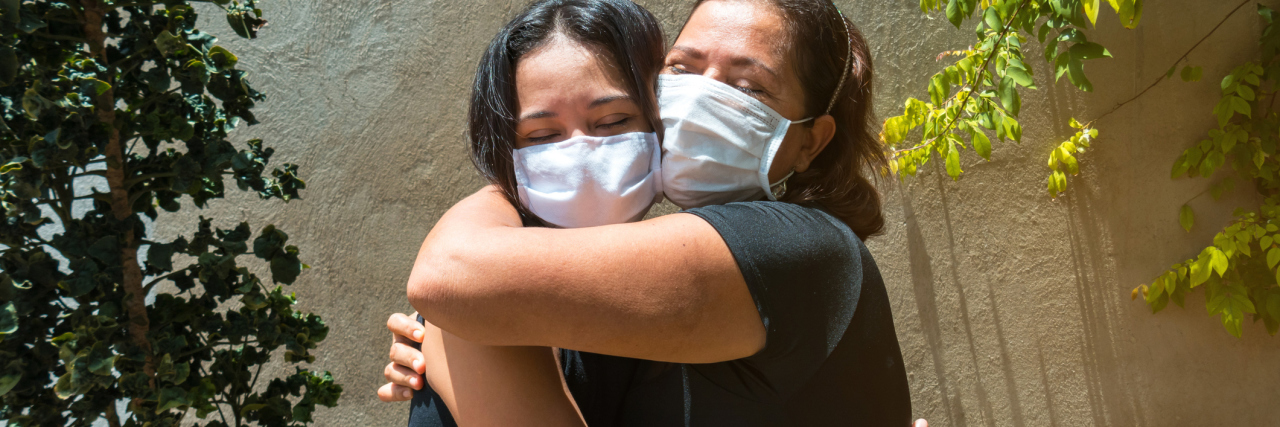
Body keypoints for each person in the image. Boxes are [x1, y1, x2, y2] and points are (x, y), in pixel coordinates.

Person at [384, 0, 916, 425]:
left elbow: (453, 278)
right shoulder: (602, 304)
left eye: (749, 87)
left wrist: (460, 325)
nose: (702, 98)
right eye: (682, 69)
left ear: (810, 143)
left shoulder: (802, 248)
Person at [379, 0, 667, 425]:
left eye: (611, 121)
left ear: (659, 118)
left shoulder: (688, 278)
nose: (580, 151)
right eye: (544, 134)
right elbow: (448, 280)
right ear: (506, 150)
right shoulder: (476, 288)